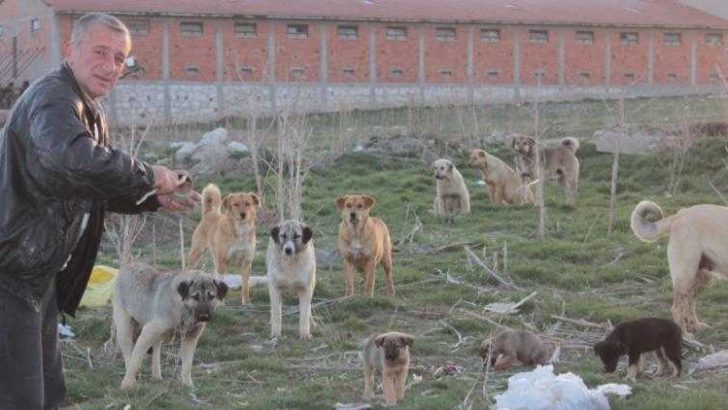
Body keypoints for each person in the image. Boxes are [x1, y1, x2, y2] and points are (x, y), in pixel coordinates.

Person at [0, 13, 198, 409]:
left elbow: (83, 184)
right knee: (22, 399)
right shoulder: (54, 99)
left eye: (120, 59)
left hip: (37, 276)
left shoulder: (85, 106)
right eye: (101, 53)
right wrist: (147, 174)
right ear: (71, 50)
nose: (110, 67)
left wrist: (148, 198)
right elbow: (71, 160)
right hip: (10, 275)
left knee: (50, 394)